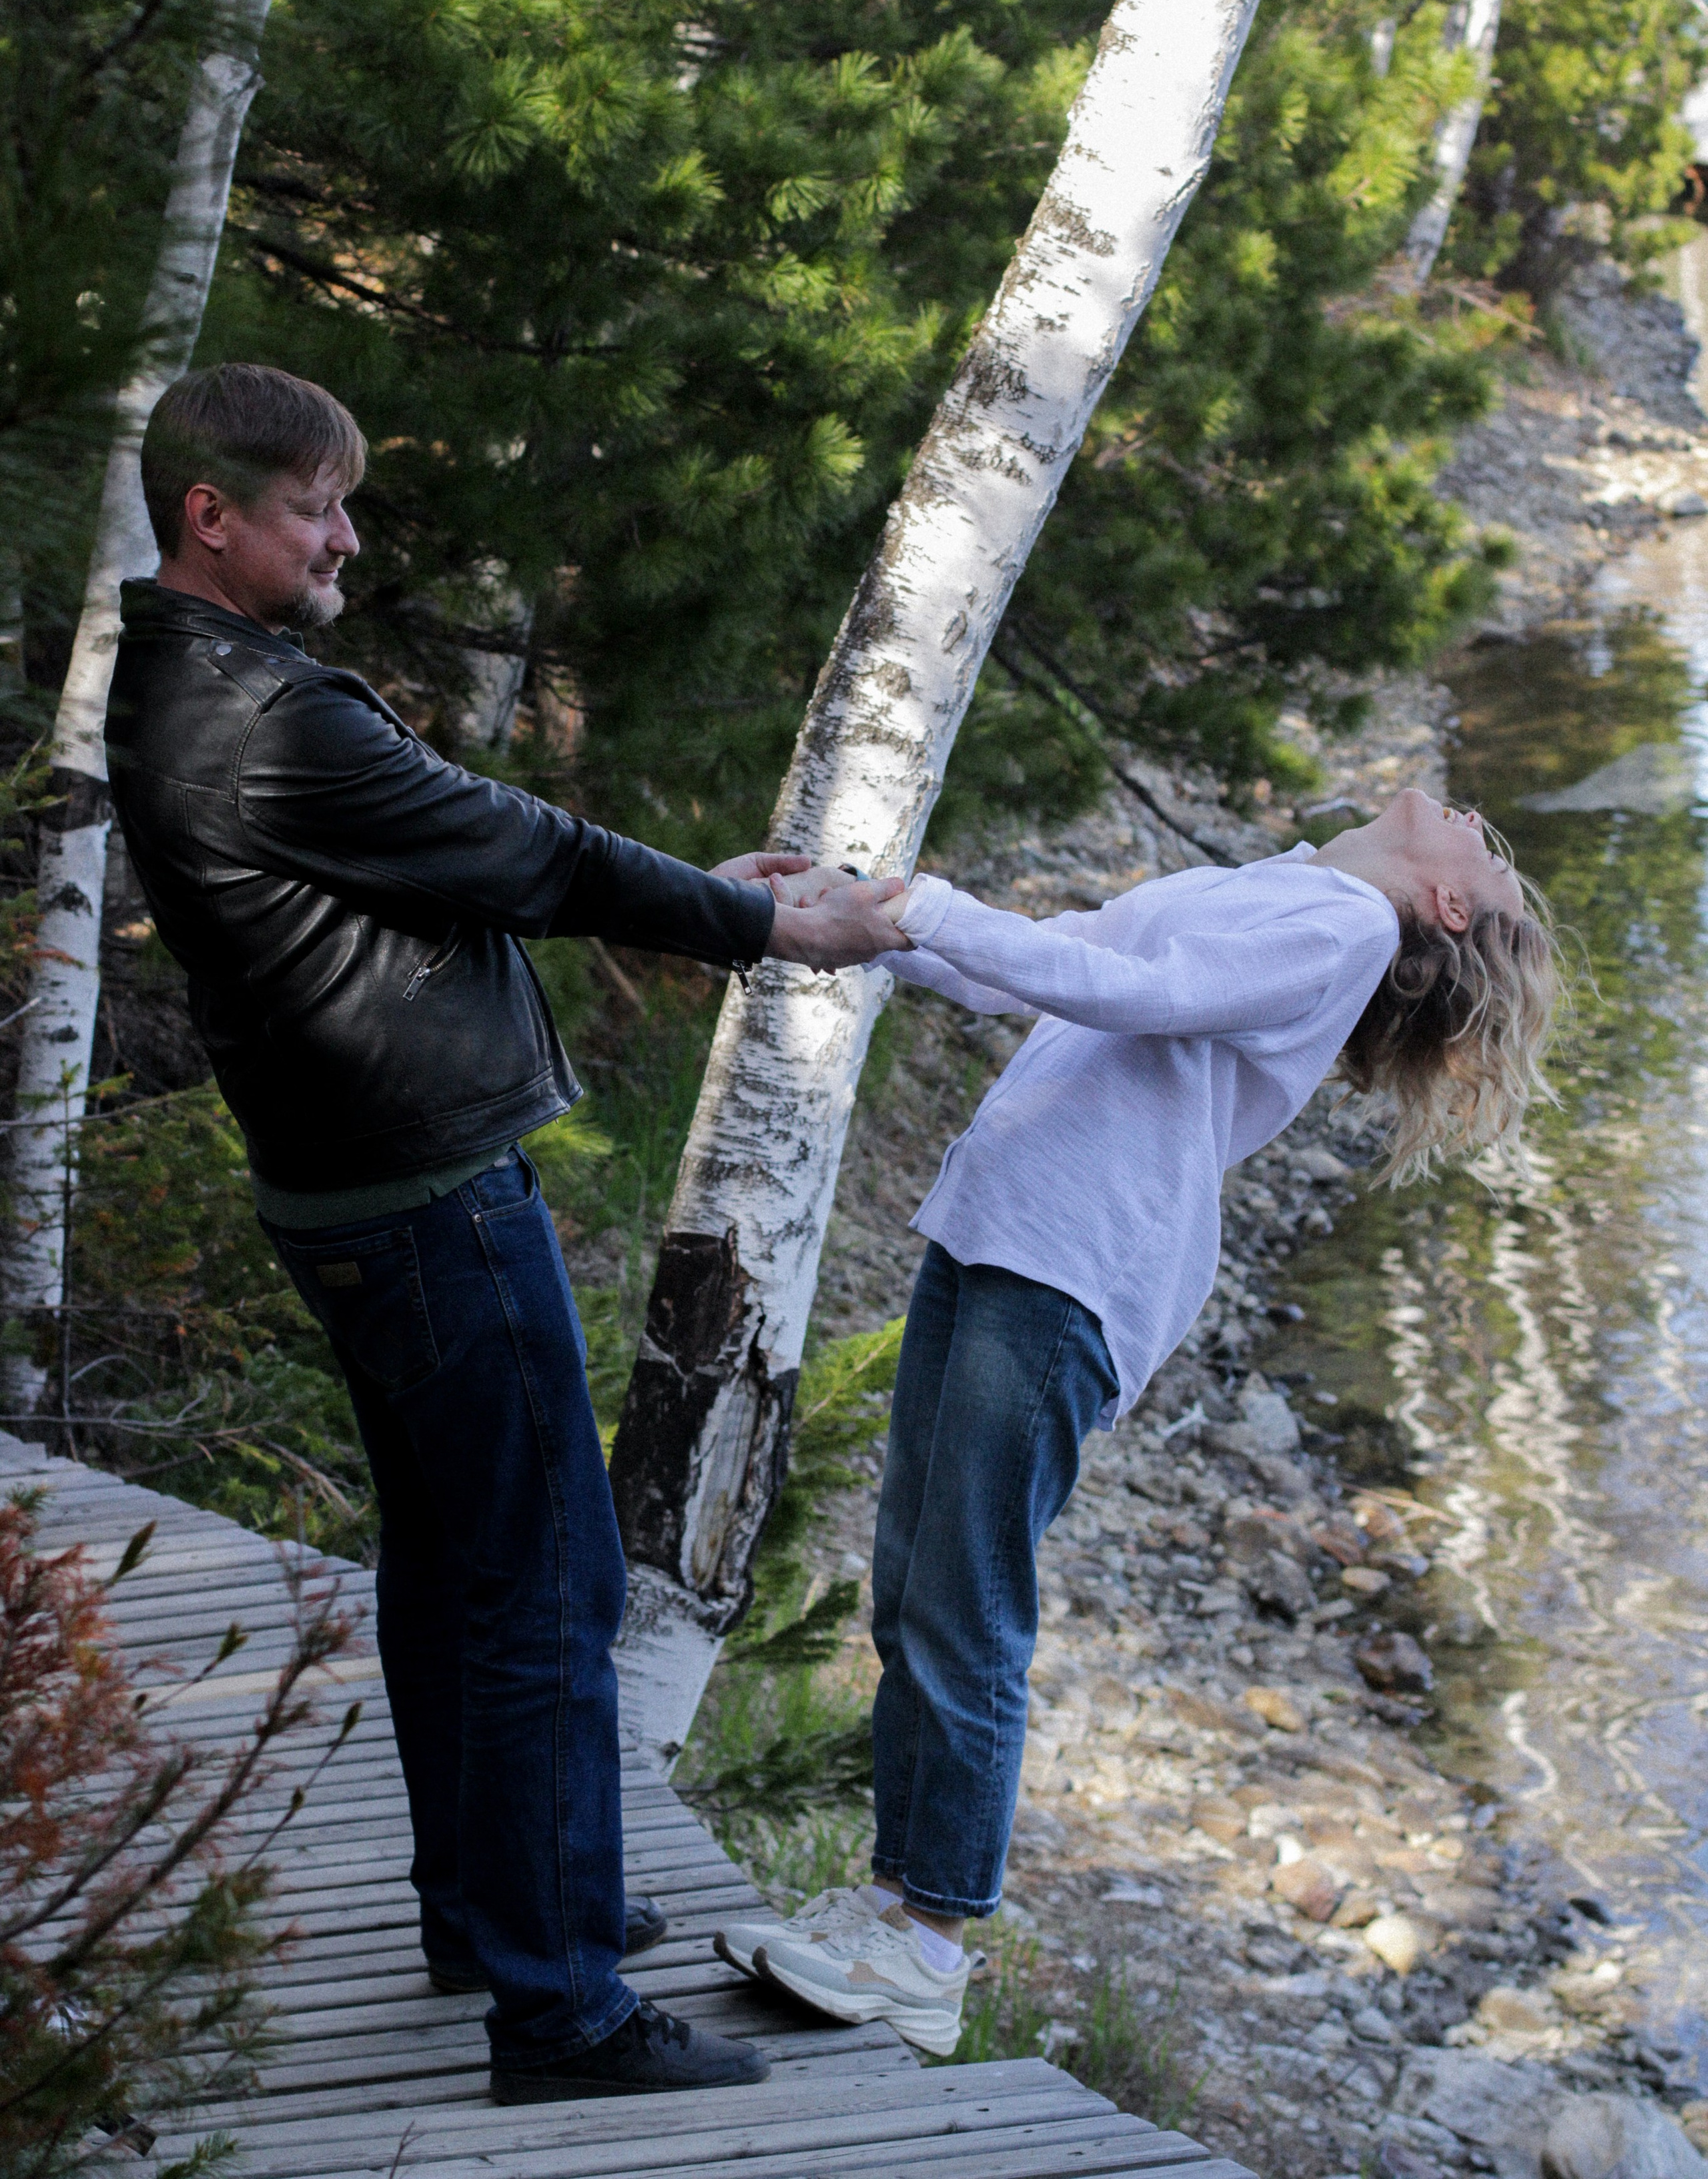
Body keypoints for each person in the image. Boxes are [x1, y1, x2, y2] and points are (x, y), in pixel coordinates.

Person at [104, 362, 901, 2105]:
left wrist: (711, 892)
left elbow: (456, 854)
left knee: (456, 1566)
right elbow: (517, 847)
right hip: (426, 1207)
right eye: (317, 508)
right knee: (547, 1587)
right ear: (211, 516)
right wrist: (775, 933)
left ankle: (491, 1913)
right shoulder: (256, 713)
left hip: (361, 1195)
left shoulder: (197, 679)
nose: (346, 538)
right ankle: (568, 2018)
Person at [715, 797, 1561, 2053]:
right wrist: (868, 924)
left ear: (1443, 904)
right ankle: (891, 1903)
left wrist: (925, 906)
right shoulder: (1276, 885)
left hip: (1072, 1265)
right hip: (1002, 1231)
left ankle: (928, 1944)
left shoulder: (1339, 928)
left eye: (1489, 850)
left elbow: (1126, 989)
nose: (1476, 823)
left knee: (965, 1596)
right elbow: (1055, 959)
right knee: (910, 1586)